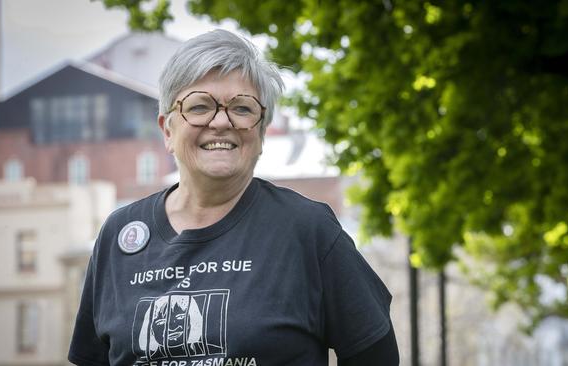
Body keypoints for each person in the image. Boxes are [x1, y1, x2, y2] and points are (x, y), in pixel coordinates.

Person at [68, 29, 398, 366]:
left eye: (242, 108)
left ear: (261, 130)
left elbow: (376, 356)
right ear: (167, 129)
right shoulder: (119, 236)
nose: (221, 121)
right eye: (199, 106)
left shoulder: (307, 230)